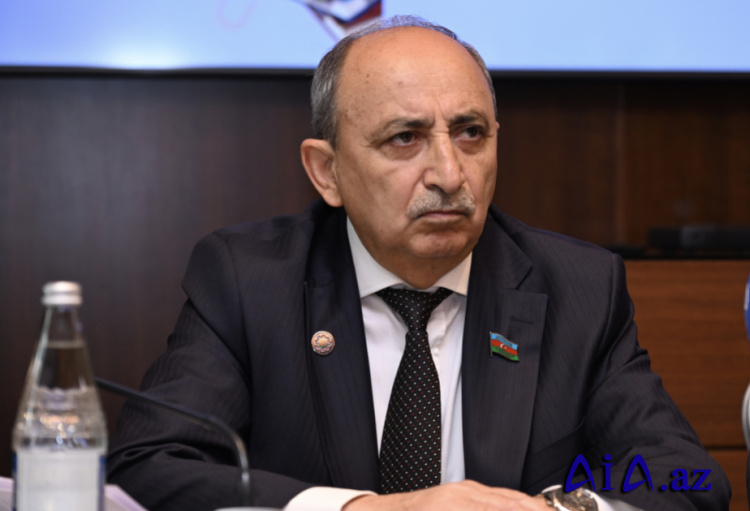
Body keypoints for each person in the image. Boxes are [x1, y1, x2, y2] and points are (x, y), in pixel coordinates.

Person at [107, 15, 730, 511]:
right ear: (327, 171)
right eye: (404, 138)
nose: (450, 174)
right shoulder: (249, 281)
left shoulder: (579, 289)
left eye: (470, 133)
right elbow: (147, 465)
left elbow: (689, 481)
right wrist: (363, 510)